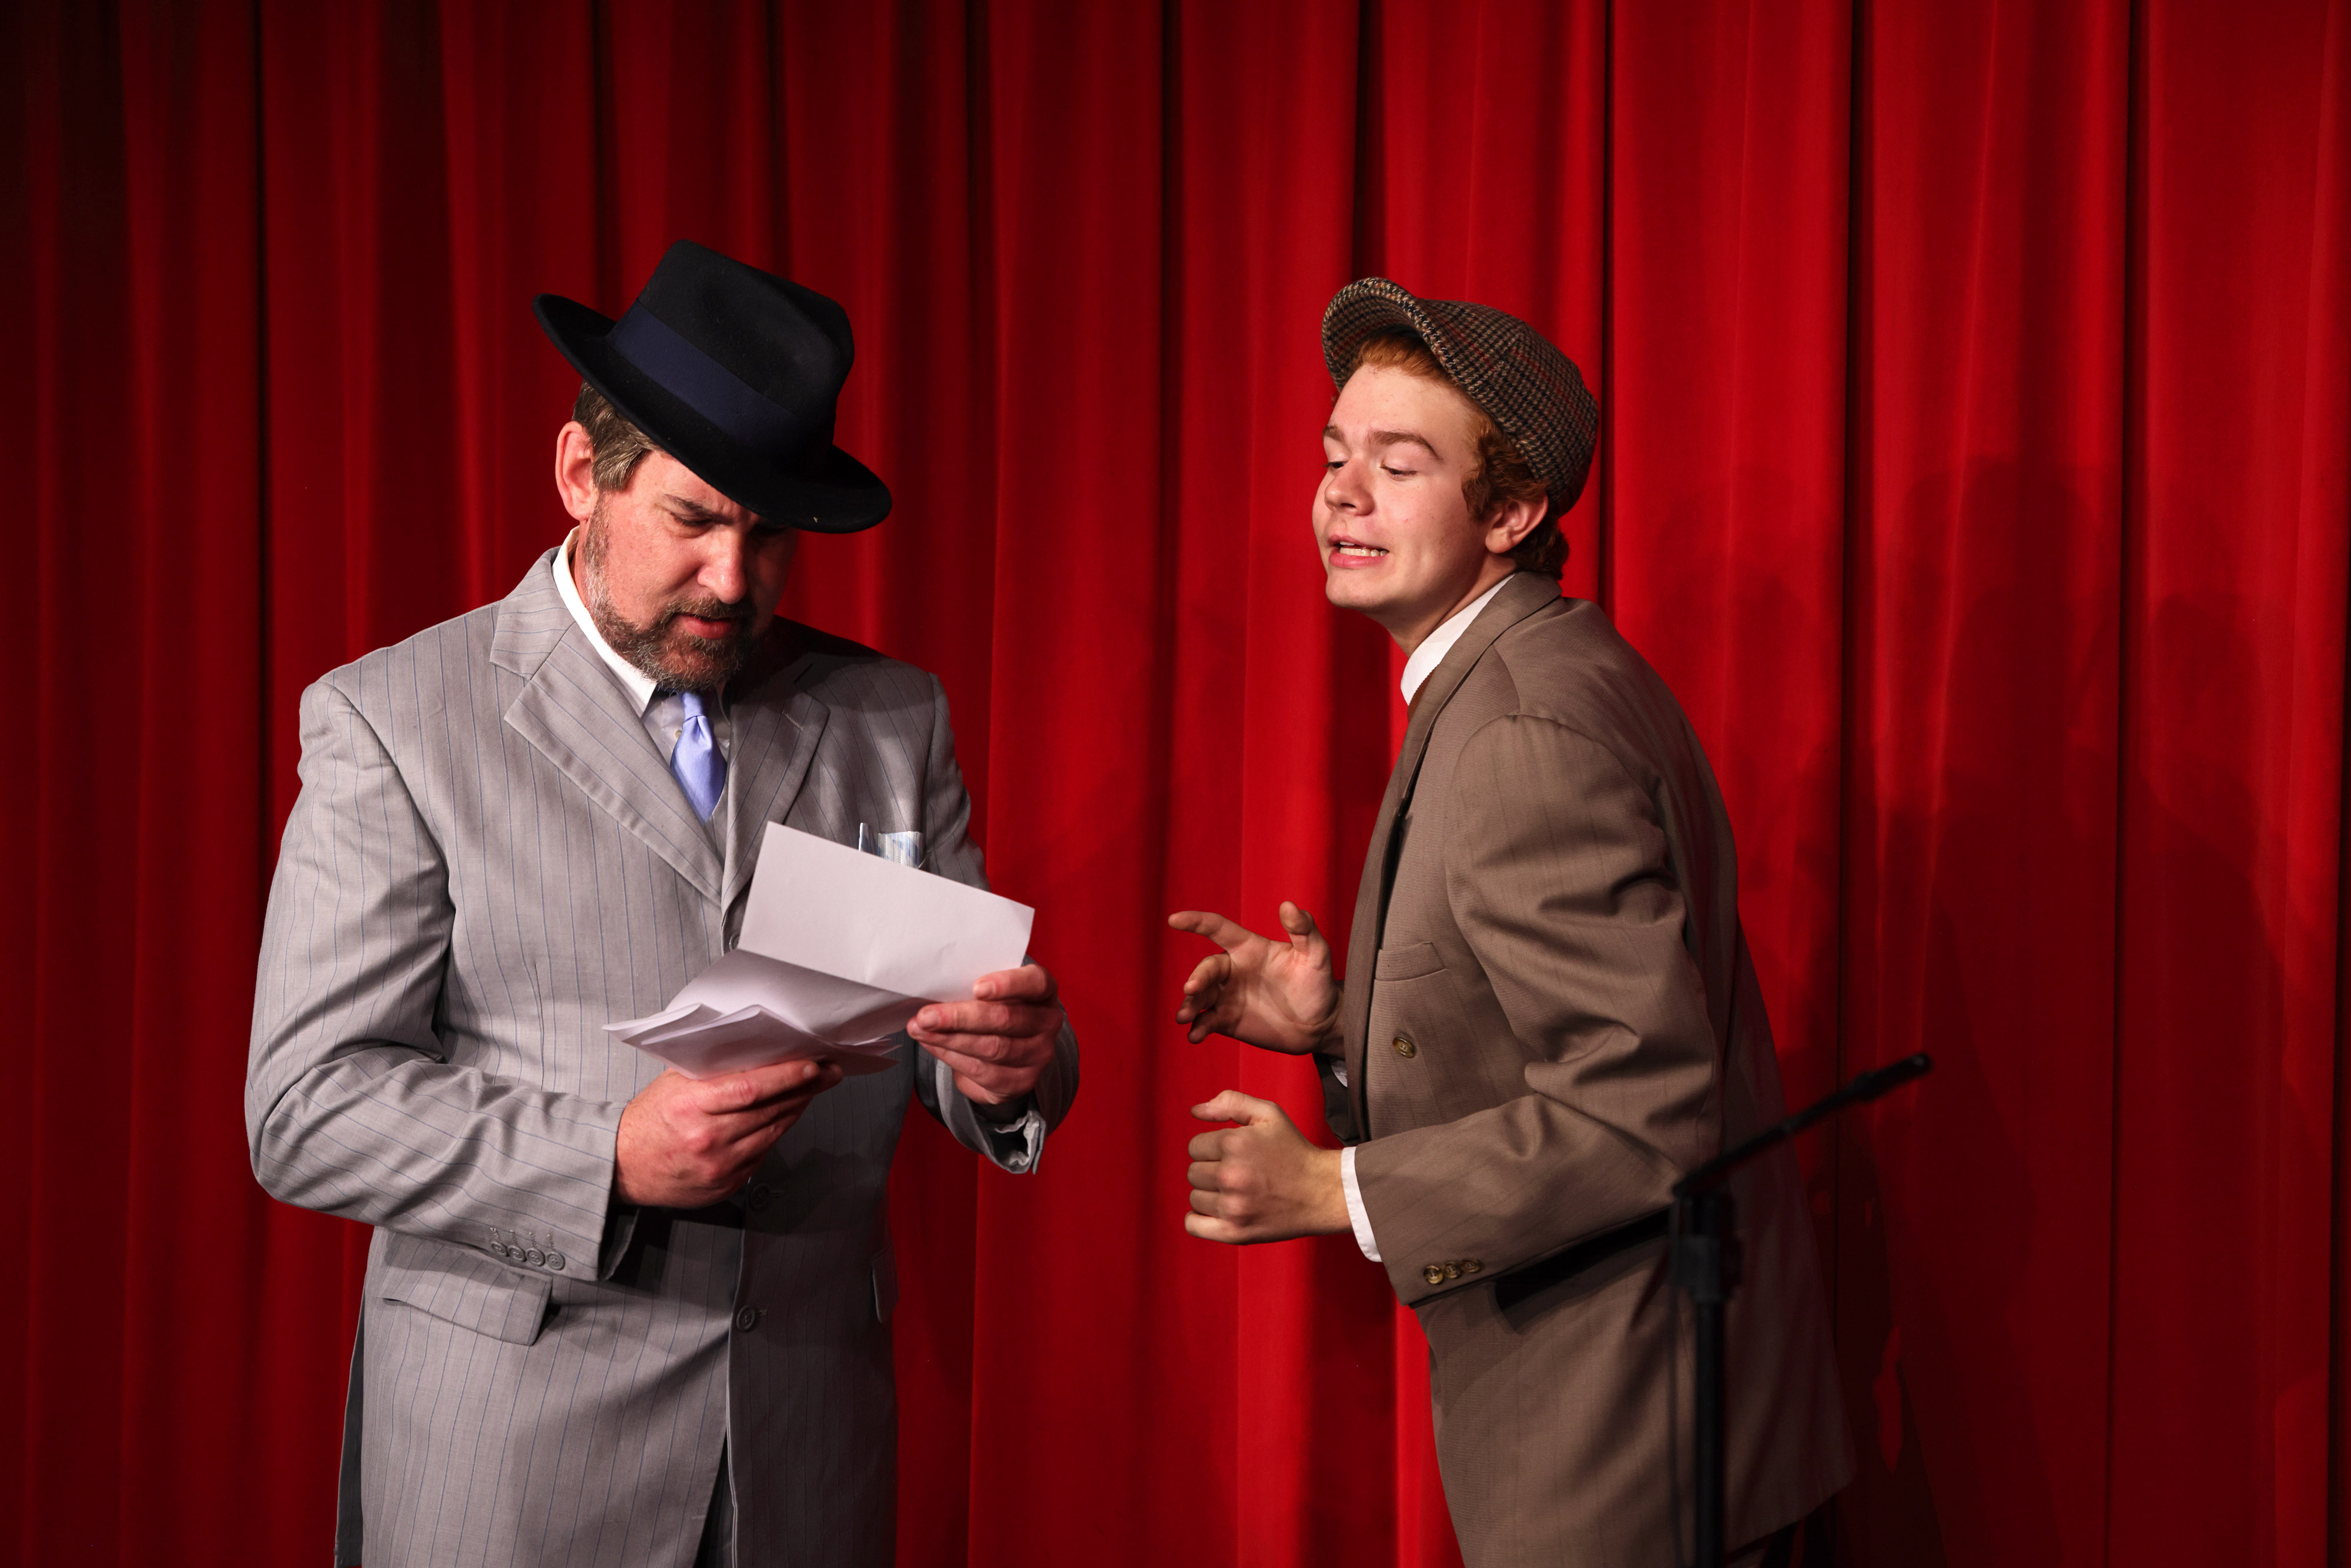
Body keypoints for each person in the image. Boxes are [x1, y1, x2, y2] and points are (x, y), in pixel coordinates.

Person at [247, 240, 1077, 1568]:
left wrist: (1007, 1067)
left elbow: (949, 1025)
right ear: (582, 473)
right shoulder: (394, 718)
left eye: (769, 535)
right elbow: (307, 1107)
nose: (734, 581)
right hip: (511, 1468)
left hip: (804, 1454)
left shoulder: (890, 715)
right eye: (694, 519)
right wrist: (607, 1157)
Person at [1169, 279, 1848, 1566]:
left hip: (1626, 1451)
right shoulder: (1528, 670)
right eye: (1334, 454)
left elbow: (1638, 1110)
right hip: (1651, 1435)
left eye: (1397, 464)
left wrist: (1332, 1187)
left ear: (1512, 512)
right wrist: (1338, 1024)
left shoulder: (1519, 725)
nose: (1341, 494)